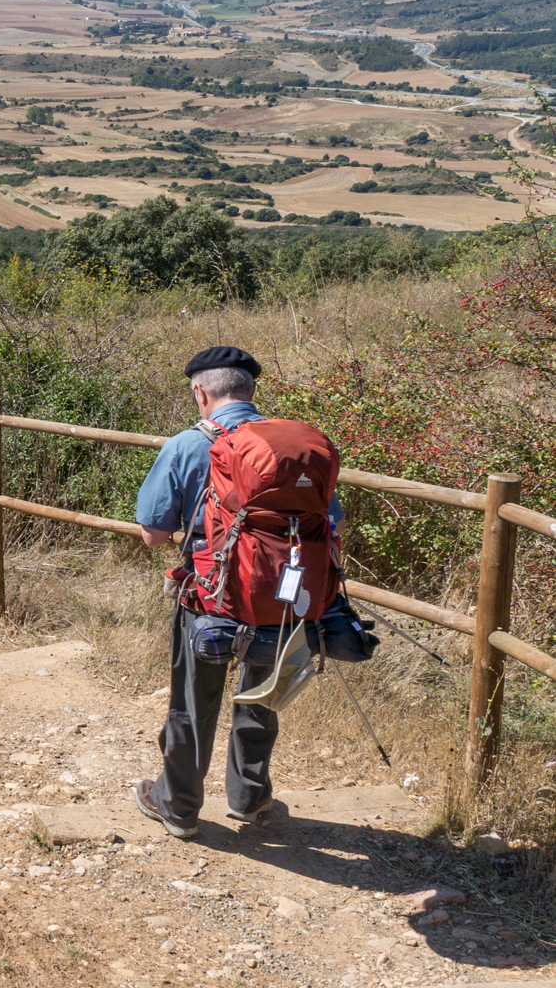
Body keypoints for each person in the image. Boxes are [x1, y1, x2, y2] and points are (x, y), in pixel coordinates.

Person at [131, 346, 344, 840]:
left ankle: (179, 806)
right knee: (262, 696)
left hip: (210, 599)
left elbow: (153, 534)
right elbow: (333, 520)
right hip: (286, 601)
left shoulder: (187, 445)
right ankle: (249, 797)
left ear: (201, 393)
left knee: (192, 703)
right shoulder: (295, 448)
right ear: (251, 391)